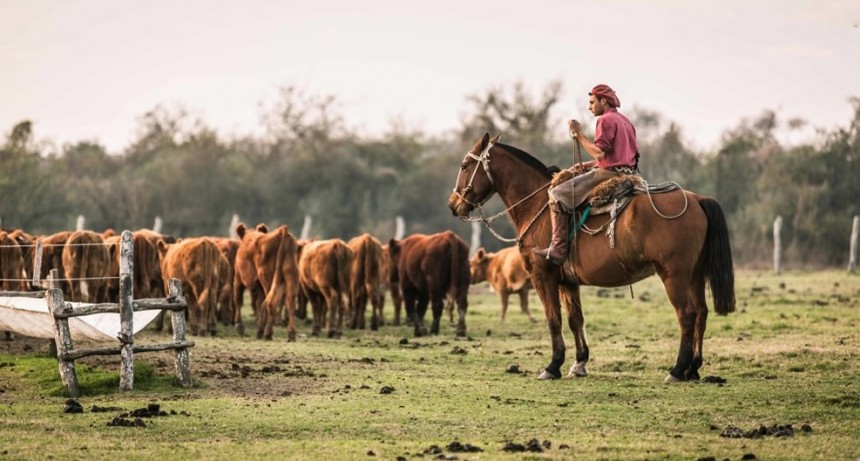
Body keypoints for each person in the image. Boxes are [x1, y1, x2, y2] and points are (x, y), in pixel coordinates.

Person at [532, 84, 640, 265]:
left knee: (556, 194)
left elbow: (600, 153)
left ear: (603, 101)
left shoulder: (605, 120)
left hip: (609, 175)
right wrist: (585, 166)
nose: (589, 107)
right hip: (628, 172)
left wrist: (579, 134)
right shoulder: (625, 121)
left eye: (592, 102)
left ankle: (558, 249)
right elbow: (617, 157)